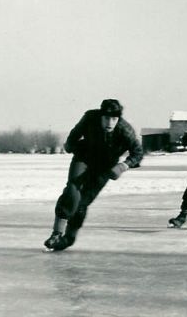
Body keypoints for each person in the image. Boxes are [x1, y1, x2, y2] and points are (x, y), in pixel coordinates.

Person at [43, 99, 143, 251]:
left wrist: (123, 166)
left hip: (105, 166)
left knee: (82, 203)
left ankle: (69, 238)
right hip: (84, 157)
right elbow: (76, 132)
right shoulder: (90, 118)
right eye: (106, 118)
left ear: (118, 119)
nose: (110, 122)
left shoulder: (125, 130)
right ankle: (56, 233)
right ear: (100, 116)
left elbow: (138, 152)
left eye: (114, 119)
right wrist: (70, 145)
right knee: (73, 190)